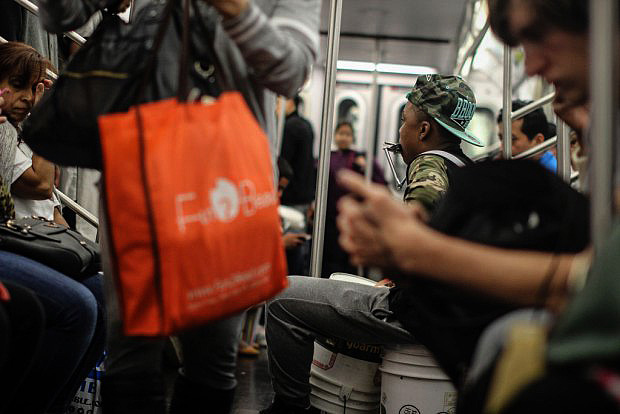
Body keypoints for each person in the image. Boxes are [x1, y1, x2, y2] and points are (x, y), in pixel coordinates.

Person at [35, 0, 321, 413]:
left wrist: (236, 10)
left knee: (211, 357)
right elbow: (61, 17)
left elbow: (291, 71)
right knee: (131, 349)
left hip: (224, 185)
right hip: (137, 171)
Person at [337, 0, 620, 412]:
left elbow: (591, 282)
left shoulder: (430, 168)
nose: (532, 66)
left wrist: (415, 251)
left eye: (539, 35)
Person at [259, 75, 482, 414]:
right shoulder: (467, 169)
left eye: (404, 121)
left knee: (282, 298)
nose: (401, 132)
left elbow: (421, 208)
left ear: (423, 131)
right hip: (451, 312)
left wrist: (394, 241)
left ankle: (290, 408)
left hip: (414, 313)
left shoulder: (429, 164)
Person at [0, 41, 106, 414]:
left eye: (34, 89)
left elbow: (53, 208)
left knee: (106, 295)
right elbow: (40, 184)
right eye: (17, 84)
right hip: (13, 240)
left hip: (28, 238)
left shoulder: (15, 135)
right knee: (78, 307)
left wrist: (79, 251)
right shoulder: (5, 133)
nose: (28, 98)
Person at [322, 121, 387, 277]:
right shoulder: (326, 157)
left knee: (351, 260)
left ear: (352, 137)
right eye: (340, 133)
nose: (343, 137)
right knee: (329, 258)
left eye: (347, 134)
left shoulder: (361, 159)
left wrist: (363, 168)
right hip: (328, 218)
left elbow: (379, 183)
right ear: (335, 136)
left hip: (354, 217)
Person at [497, 99, 558, 172]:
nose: (501, 148)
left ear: (538, 141)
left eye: (512, 139)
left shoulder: (551, 175)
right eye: (501, 138)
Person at [279, 95, 316, 213]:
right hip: (305, 195)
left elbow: (284, 162)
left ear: (289, 102)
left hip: (291, 196)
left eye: (278, 101)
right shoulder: (307, 124)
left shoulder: (289, 126)